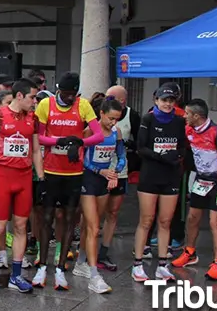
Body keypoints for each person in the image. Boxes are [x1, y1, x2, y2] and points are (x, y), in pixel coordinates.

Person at [32, 72, 104, 291]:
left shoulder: (83, 106)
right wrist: (59, 140)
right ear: (58, 90)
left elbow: (99, 135)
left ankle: (61, 268)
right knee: (47, 218)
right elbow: (38, 136)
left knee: (69, 220)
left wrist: (78, 142)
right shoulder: (46, 104)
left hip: (73, 173)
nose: (70, 98)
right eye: (66, 94)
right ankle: (42, 266)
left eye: (73, 94)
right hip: (51, 170)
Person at [0, 79, 39, 295]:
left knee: (21, 226)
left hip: (24, 178)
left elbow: (36, 151)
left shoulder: (33, 118)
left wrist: (41, 179)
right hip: (3, 175)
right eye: (32, 97)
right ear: (19, 96)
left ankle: (16, 275)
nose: (35, 102)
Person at [171, 99, 217, 281]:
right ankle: (190, 252)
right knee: (192, 217)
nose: (185, 116)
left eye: (188, 114)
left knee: (215, 222)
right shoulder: (188, 129)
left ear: (197, 116)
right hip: (201, 180)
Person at [131, 83, 189, 282]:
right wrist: (160, 156)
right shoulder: (148, 118)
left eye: (171, 100)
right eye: (164, 100)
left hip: (170, 176)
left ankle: (162, 265)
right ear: (156, 100)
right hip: (150, 175)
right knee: (146, 220)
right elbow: (141, 147)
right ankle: (138, 264)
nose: (167, 104)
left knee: (165, 221)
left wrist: (176, 156)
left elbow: (183, 146)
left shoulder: (179, 121)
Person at [71, 98, 125, 294]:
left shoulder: (116, 133)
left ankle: (81, 262)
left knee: (91, 225)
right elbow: (82, 158)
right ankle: (95, 276)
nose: (113, 123)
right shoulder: (89, 131)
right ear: (101, 114)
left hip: (103, 181)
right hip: (88, 180)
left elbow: (122, 156)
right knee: (94, 228)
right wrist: (99, 171)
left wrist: (115, 172)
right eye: (111, 118)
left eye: (117, 119)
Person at [98, 85, 140, 271]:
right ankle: (85, 251)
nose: (109, 99)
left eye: (113, 97)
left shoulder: (132, 116)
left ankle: (104, 251)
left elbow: (136, 144)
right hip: (98, 172)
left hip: (119, 173)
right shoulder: (96, 118)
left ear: (123, 100)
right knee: (94, 215)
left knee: (113, 213)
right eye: (107, 97)